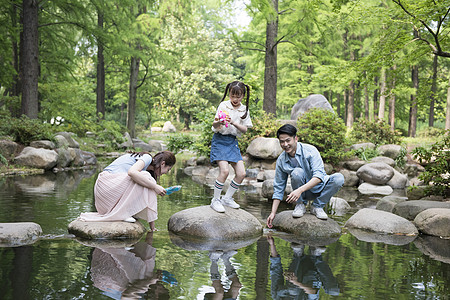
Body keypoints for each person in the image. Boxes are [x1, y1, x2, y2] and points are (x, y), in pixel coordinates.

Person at [266, 124, 344, 227]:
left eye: (288, 140)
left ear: (296, 139)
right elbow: (279, 187)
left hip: (320, 189)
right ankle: (300, 205)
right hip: (303, 195)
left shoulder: (310, 151)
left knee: (339, 178)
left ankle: (317, 206)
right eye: (282, 141)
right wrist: (273, 213)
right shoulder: (281, 160)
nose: (285, 144)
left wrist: (299, 190)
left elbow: (319, 176)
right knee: (297, 172)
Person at [79, 150, 176, 232]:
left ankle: (125, 213)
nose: (166, 173)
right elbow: (131, 172)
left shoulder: (147, 170)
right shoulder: (147, 158)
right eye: (168, 169)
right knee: (144, 177)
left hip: (107, 197)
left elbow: (149, 192)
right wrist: (155, 186)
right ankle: (123, 213)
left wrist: (152, 228)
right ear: (163, 163)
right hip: (106, 185)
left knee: (146, 179)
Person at [209, 81, 253, 213]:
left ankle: (227, 198)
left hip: (232, 142)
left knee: (241, 173)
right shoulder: (223, 105)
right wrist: (220, 122)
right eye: (232, 96)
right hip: (220, 140)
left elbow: (245, 130)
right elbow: (214, 126)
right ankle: (215, 200)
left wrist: (233, 122)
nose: (235, 99)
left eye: (238, 96)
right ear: (229, 94)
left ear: (243, 96)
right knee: (225, 171)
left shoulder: (244, 109)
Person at [267, 235, 339, 299]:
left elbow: (275, 271)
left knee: (292, 290)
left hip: (297, 265)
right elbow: (313, 291)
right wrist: (296, 282)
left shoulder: (277, 297)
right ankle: (316, 253)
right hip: (314, 272)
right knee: (333, 291)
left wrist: (272, 244)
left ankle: (298, 251)